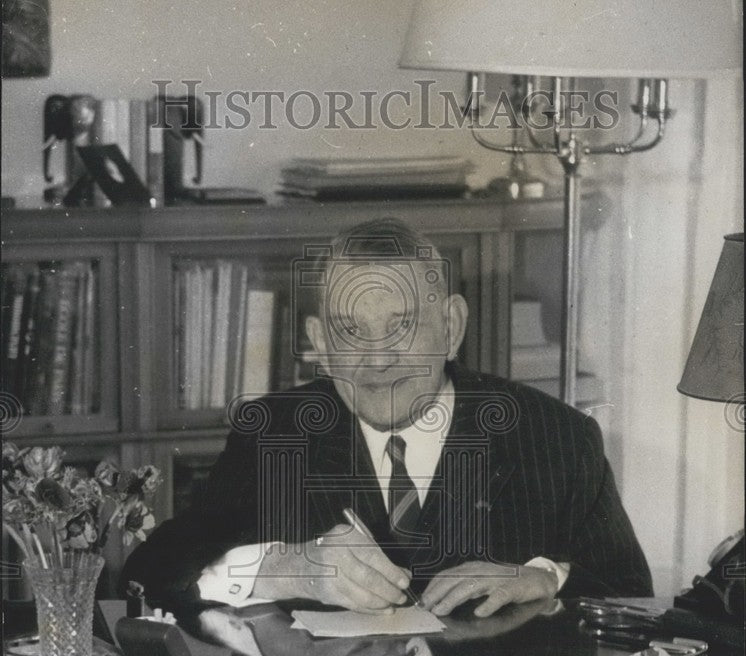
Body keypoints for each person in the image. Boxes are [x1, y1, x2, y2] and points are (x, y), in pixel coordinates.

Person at [122, 218, 651, 616]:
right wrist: (281, 569)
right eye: (350, 331)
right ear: (321, 346)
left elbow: (633, 599)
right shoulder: (274, 434)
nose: (377, 360)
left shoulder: (556, 437)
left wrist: (546, 578)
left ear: (450, 328)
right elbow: (150, 573)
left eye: (401, 327)